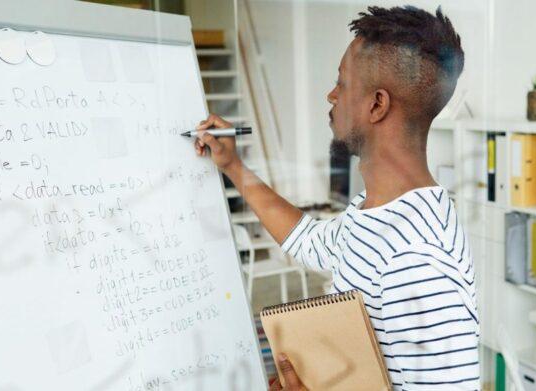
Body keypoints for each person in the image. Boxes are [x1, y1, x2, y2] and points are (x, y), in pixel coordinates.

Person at [195, 5, 478, 390]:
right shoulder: (374, 209)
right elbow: (310, 242)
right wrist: (234, 167)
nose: (331, 95)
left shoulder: (417, 260)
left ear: (377, 105)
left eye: (341, 83)